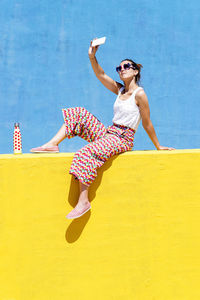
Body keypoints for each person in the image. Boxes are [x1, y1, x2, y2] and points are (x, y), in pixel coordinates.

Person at [30, 40, 174, 219]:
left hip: (123, 138)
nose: (122, 69)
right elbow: (100, 74)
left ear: (135, 70)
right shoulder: (120, 90)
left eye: (127, 66)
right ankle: (52, 144)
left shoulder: (140, 94)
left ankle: (83, 201)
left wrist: (158, 146)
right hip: (109, 133)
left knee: (85, 152)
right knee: (78, 113)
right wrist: (92, 56)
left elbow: (147, 123)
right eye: (119, 68)